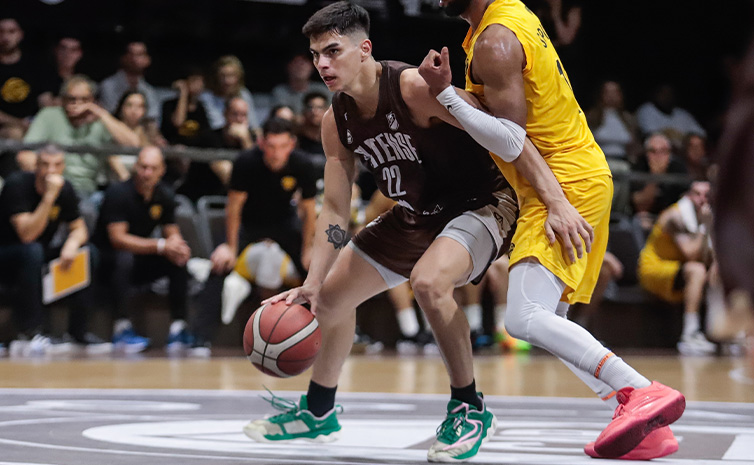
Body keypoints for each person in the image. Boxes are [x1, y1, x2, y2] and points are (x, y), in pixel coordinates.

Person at [244, 4, 589, 462]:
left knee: (429, 282)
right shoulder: (336, 121)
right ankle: (319, 412)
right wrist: (310, 283)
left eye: (333, 51)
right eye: (315, 55)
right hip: (416, 214)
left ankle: (469, 407)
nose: (323, 64)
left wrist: (555, 200)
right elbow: (333, 207)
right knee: (328, 299)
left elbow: (510, 135)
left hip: (482, 202)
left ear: (364, 49)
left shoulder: (412, 88)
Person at [418, 0, 685, 459]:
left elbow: (511, 138)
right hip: (578, 173)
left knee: (522, 318)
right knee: (549, 321)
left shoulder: (495, 41)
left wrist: (445, 96)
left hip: (564, 183)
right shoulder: (511, 15)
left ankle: (641, 391)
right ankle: (645, 424)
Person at [191, 117, 317, 354]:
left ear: (291, 144)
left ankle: (328, 333)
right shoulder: (246, 162)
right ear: (261, 143)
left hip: (284, 222)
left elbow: (309, 212)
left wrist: (308, 248)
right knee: (219, 264)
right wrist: (230, 246)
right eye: (270, 146)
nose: (276, 153)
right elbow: (234, 208)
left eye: (281, 147)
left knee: (314, 268)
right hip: (249, 223)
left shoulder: (303, 164)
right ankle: (200, 337)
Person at [0, 145, 109, 356]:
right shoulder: (17, 185)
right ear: (36, 166)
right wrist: (49, 197)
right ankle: (30, 332)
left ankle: (78, 332)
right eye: (45, 165)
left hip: (35, 257)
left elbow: (79, 229)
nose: (51, 171)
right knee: (32, 250)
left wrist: (71, 244)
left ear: (63, 167)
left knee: (88, 253)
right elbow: (26, 234)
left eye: (57, 165)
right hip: (7, 257)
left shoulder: (65, 189)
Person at [93, 146, 194, 354]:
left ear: (162, 170)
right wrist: (160, 246)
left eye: (152, 168)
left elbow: (171, 230)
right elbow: (118, 239)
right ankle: (121, 328)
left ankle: (178, 328)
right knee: (124, 258)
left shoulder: (164, 194)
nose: (147, 173)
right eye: (143, 167)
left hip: (139, 259)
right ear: (135, 167)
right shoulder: (118, 193)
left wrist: (178, 246)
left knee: (176, 259)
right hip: (106, 261)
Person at [22, 75, 139, 199]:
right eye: (72, 99)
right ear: (63, 99)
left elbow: (133, 144)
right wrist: (47, 174)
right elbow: (25, 156)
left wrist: (100, 112)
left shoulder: (100, 120)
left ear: (92, 100)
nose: (77, 104)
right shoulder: (49, 115)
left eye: (84, 99)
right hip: (54, 185)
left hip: (88, 190)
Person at [638, 181, 718, 355]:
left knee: (718, 270)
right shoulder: (674, 216)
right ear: (688, 196)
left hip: (680, 268)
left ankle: (723, 332)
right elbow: (690, 253)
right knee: (696, 270)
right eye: (697, 194)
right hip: (655, 268)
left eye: (707, 195)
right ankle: (690, 334)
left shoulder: (709, 216)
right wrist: (706, 227)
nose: (702, 199)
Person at [177, 96, 253, 203]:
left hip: (227, 199)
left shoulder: (249, 140)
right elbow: (228, 179)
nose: (239, 120)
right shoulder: (210, 138)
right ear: (225, 114)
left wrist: (245, 140)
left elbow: (256, 170)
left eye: (244, 115)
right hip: (201, 198)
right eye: (235, 114)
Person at [0, 18, 51, 135]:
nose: (5, 37)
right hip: (7, 128)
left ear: (20, 35)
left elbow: (45, 101)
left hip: (33, 125)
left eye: (11, 32)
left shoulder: (35, 65)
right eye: (1, 32)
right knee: (14, 133)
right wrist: (19, 123)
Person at [630, 133, 688, 234]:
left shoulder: (678, 168)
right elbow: (640, 206)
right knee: (640, 220)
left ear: (670, 153)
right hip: (647, 217)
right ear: (646, 153)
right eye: (653, 151)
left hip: (672, 217)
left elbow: (685, 201)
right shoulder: (639, 166)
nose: (658, 156)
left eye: (663, 151)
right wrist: (655, 176)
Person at [98, 41, 160, 122]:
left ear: (148, 60)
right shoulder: (108, 85)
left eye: (139, 54)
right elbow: (109, 117)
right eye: (131, 54)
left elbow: (151, 120)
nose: (134, 59)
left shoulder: (149, 91)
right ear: (123, 58)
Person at [200, 55, 260, 131]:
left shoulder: (243, 93)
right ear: (216, 77)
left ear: (238, 77)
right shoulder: (207, 97)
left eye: (231, 75)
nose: (227, 81)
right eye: (222, 76)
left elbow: (254, 124)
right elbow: (216, 125)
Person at [160, 68, 212, 148]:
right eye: (194, 81)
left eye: (201, 81)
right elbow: (178, 123)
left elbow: (205, 132)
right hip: (174, 148)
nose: (199, 85)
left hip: (196, 150)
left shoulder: (201, 107)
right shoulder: (169, 105)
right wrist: (183, 93)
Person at [635, 84, 706, 143]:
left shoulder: (683, 114)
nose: (667, 97)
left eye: (669, 93)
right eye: (663, 93)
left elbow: (702, 135)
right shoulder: (647, 110)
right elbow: (651, 135)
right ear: (656, 94)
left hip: (684, 156)